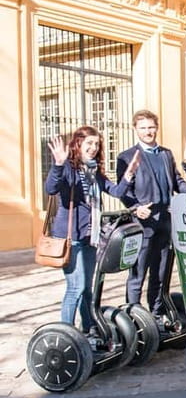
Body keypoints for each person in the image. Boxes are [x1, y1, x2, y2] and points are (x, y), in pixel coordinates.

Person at [45, 127, 141, 331]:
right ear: (78, 144)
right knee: (75, 288)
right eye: (89, 143)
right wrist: (58, 165)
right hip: (70, 238)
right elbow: (51, 189)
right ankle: (66, 333)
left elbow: (115, 191)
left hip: (90, 236)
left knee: (87, 289)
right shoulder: (69, 169)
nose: (93, 148)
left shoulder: (94, 171)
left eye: (96, 144)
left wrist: (129, 174)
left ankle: (88, 329)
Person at [116, 109, 186, 324]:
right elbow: (124, 191)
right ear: (135, 129)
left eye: (151, 127)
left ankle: (157, 315)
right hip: (141, 224)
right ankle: (133, 318)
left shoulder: (166, 154)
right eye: (143, 128)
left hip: (166, 223)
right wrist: (135, 207)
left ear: (156, 128)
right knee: (138, 273)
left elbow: (178, 181)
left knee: (160, 273)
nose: (148, 132)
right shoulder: (127, 157)